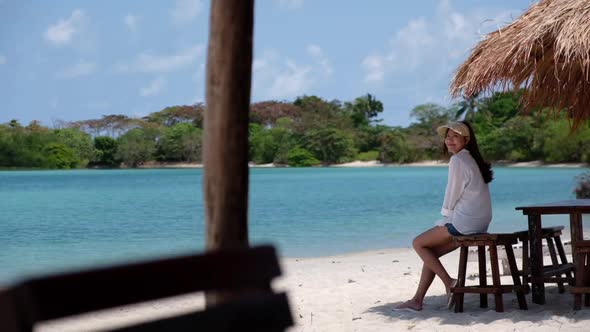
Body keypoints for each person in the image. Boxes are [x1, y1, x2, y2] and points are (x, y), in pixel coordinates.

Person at [395, 121, 493, 311]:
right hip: (480, 223)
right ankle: (417, 300)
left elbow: (452, 193)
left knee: (418, 243)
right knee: (429, 254)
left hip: (465, 223)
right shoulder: (472, 159)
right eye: (448, 136)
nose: (450, 140)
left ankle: (449, 282)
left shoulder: (458, 160)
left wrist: (445, 217)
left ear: (466, 139)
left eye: (455, 136)